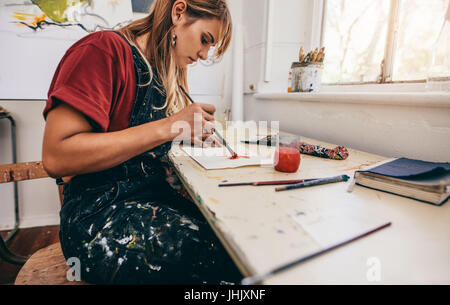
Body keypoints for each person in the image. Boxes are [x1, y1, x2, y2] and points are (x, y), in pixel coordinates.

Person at [42, 0, 241, 284]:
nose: (204, 54)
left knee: (234, 240)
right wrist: (169, 126)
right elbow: (56, 157)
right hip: (98, 216)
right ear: (179, 12)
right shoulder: (103, 50)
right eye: (205, 40)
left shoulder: (161, 75)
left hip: (150, 201)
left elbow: (143, 150)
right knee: (219, 264)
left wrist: (185, 140)